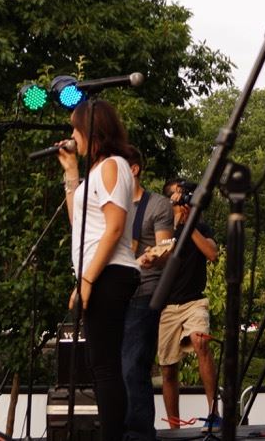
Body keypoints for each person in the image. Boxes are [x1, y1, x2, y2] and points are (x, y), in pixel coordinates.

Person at [58, 98, 141, 441]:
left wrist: (89, 278)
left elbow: (114, 227)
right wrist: (71, 173)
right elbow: (80, 227)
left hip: (109, 272)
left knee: (105, 367)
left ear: (90, 130)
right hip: (99, 272)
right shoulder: (95, 170)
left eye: (75, 129)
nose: (72, 136)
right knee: (101, 366)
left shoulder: (112, 165)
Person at [121, 146, 174, 441]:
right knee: (114, 366)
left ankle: (139, 433)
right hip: (115, 292)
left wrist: (158, 256)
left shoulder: (158, 205)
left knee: (134, 364)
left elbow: (165, 248)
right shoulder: (112, 205)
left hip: (145, 288)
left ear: (134, 169)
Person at [157, 178, 219, 430]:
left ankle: (213, 411)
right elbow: (162, 252)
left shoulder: (201, 228)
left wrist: (190, 224)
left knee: (200, 340)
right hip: (167, 305)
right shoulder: (162, 227)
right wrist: (174, 222)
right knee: (168, 369)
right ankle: (174, 427)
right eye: (178, 196)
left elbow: (212, 253)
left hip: (195, 300)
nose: (183, 200)